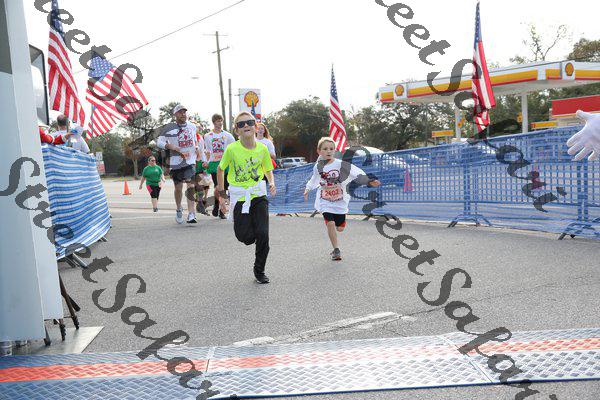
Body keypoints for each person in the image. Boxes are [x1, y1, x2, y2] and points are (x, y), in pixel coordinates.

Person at [217, 111, 276, 284]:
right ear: (237, 131)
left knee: (263, 234)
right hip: (240, 197)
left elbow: (267, 168)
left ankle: (259, 271)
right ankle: (250, 232)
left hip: (258, 194)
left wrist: (271, 182)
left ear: (256, 127)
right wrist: (222, 195)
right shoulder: (232, 149)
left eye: (249, 122)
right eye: (241, 124)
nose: (246, 126)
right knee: (245, 237)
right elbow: (220, 169)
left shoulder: (262, 148)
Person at [304, 137, 380, 261]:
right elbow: (314, 179)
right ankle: (336, 250)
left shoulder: (340, 164)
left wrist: (368, 181)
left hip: (339, 200)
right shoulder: (318, 166)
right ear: (319, 151)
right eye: (325, 149)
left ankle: (340, 223)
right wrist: (308, 189)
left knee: (340, 228)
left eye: (331, 149)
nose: (329, 151)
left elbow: (356, 172)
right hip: (325, 200)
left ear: (335, 150)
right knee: (330, 223)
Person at [156, 104, 202, 224]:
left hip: (189, 161)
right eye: (180, 112)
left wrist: (197, 148)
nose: (183, 114)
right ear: (175, 114)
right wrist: (170, 146)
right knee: (178, 188)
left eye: (184, 112)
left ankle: (191, 213)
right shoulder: (169, 128)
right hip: (176, 162)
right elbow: (159, 142)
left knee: (190, 185)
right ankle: (178, 208)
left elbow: (194, 140)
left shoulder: (192, 126)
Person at [204, 114, 235, 218]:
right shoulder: (208, 136)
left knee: (224, 187)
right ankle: (218, 205)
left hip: (225, 163)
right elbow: (207, 151)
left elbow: (233, 148)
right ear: (214, 122)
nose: (220, 123)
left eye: (221, 121)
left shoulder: (228, 135)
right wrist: (206, 162)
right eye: (218, 121)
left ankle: (220, 209)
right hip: (214, 164)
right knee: (217, 187)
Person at [194, 124, 210, 215]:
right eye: (196, 127)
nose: (198, 128)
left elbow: (202, 150)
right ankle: (198, 204)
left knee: (201, 184)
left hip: (199, 162)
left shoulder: (200, 137)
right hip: (191, 162)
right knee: (194, 186)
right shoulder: (189, 137)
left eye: (199, 127)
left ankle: (200, 204)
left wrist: (204, 161)